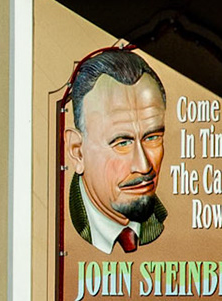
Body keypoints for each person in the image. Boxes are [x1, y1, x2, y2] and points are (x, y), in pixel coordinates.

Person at [65, 48, 168, 254]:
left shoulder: (161, 222)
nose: (143, 166)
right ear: (78, 152)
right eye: (122, 143)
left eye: (152, 138)